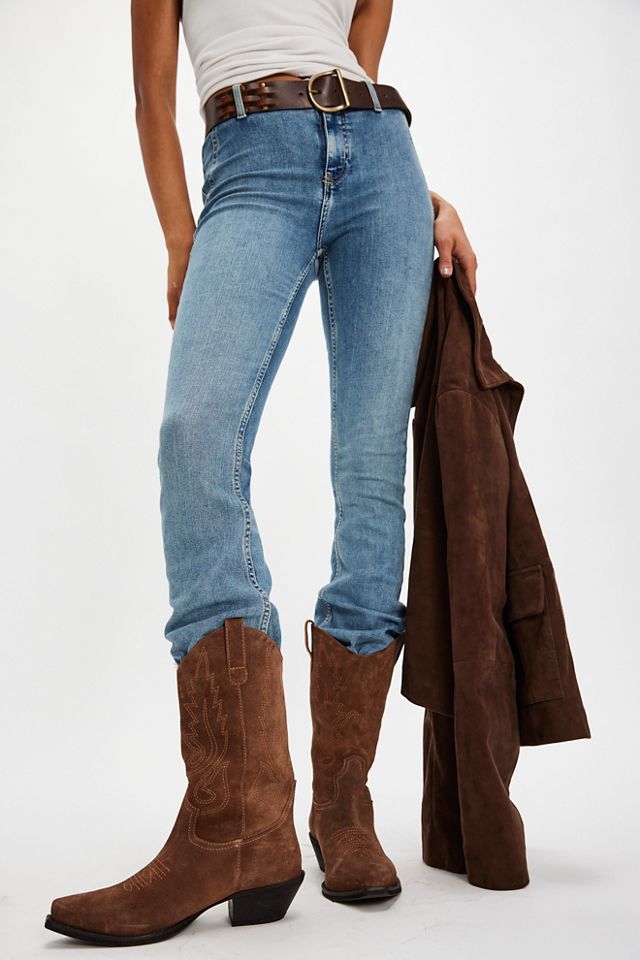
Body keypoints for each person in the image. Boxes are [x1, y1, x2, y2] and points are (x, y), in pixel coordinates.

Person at [44, 0, 478, 945]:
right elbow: (150, 97)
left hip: (381, 160)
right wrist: (179, 236)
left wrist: (417, 185)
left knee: (370, 470)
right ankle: (238, 815)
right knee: (194, 434)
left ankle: (343, 804)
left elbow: (355, 53)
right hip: (248, 162)